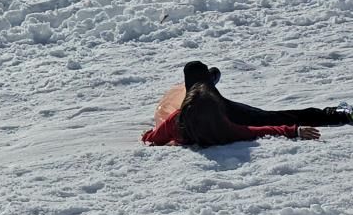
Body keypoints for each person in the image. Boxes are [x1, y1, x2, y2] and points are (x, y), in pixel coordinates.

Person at [143, 61, 352, 147]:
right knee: (276, 117)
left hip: (209, 107)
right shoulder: (226, 129)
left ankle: (205, 80)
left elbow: (152, 138)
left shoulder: (177, 120)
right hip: (224, 109)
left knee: (194, 72)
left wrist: (147, 136)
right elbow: (259, 129)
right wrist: (294, 130)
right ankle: (339, 114)